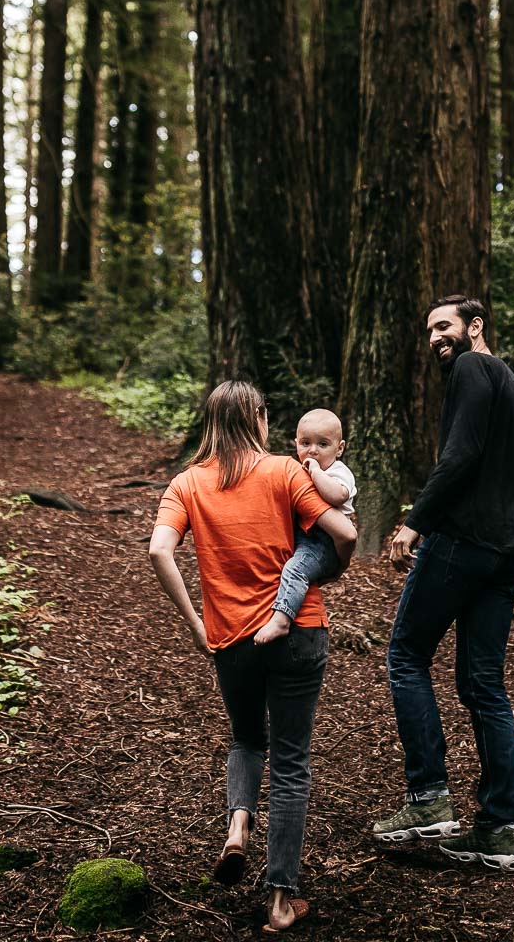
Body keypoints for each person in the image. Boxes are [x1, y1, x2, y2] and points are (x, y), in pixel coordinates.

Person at [148, 381, 359, 933]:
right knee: (290, 763)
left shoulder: (186, 483)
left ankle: (237, 826)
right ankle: (279, 901)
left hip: (229, 638)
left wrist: (196, 622)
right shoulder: (286, 472)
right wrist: (328, 573)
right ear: (261, 419)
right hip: (299, 632)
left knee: (246, 739)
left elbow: (158, 549)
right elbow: (345, 533)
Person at [370, 295, 514, 873]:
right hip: (508, 553)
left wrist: (416, 521)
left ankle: (428, 799)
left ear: (475, 327)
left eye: (444, 327)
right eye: (430, 331)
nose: (435, 339)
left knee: (406, 655)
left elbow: (461, 455)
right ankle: (499, 830)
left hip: (464, 543)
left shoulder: (473, 368)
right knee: (484, 686)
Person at [253, 408, 357, 645]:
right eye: (305, 443)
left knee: (295, 569)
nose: (312, 450)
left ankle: (282, 620)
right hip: (305, 535)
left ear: (339, 448)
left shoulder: (338, 472)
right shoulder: (300, 469)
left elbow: (338, 496)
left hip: (324, 541)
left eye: (322, 444)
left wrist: (316, 472)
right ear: (296, 443)